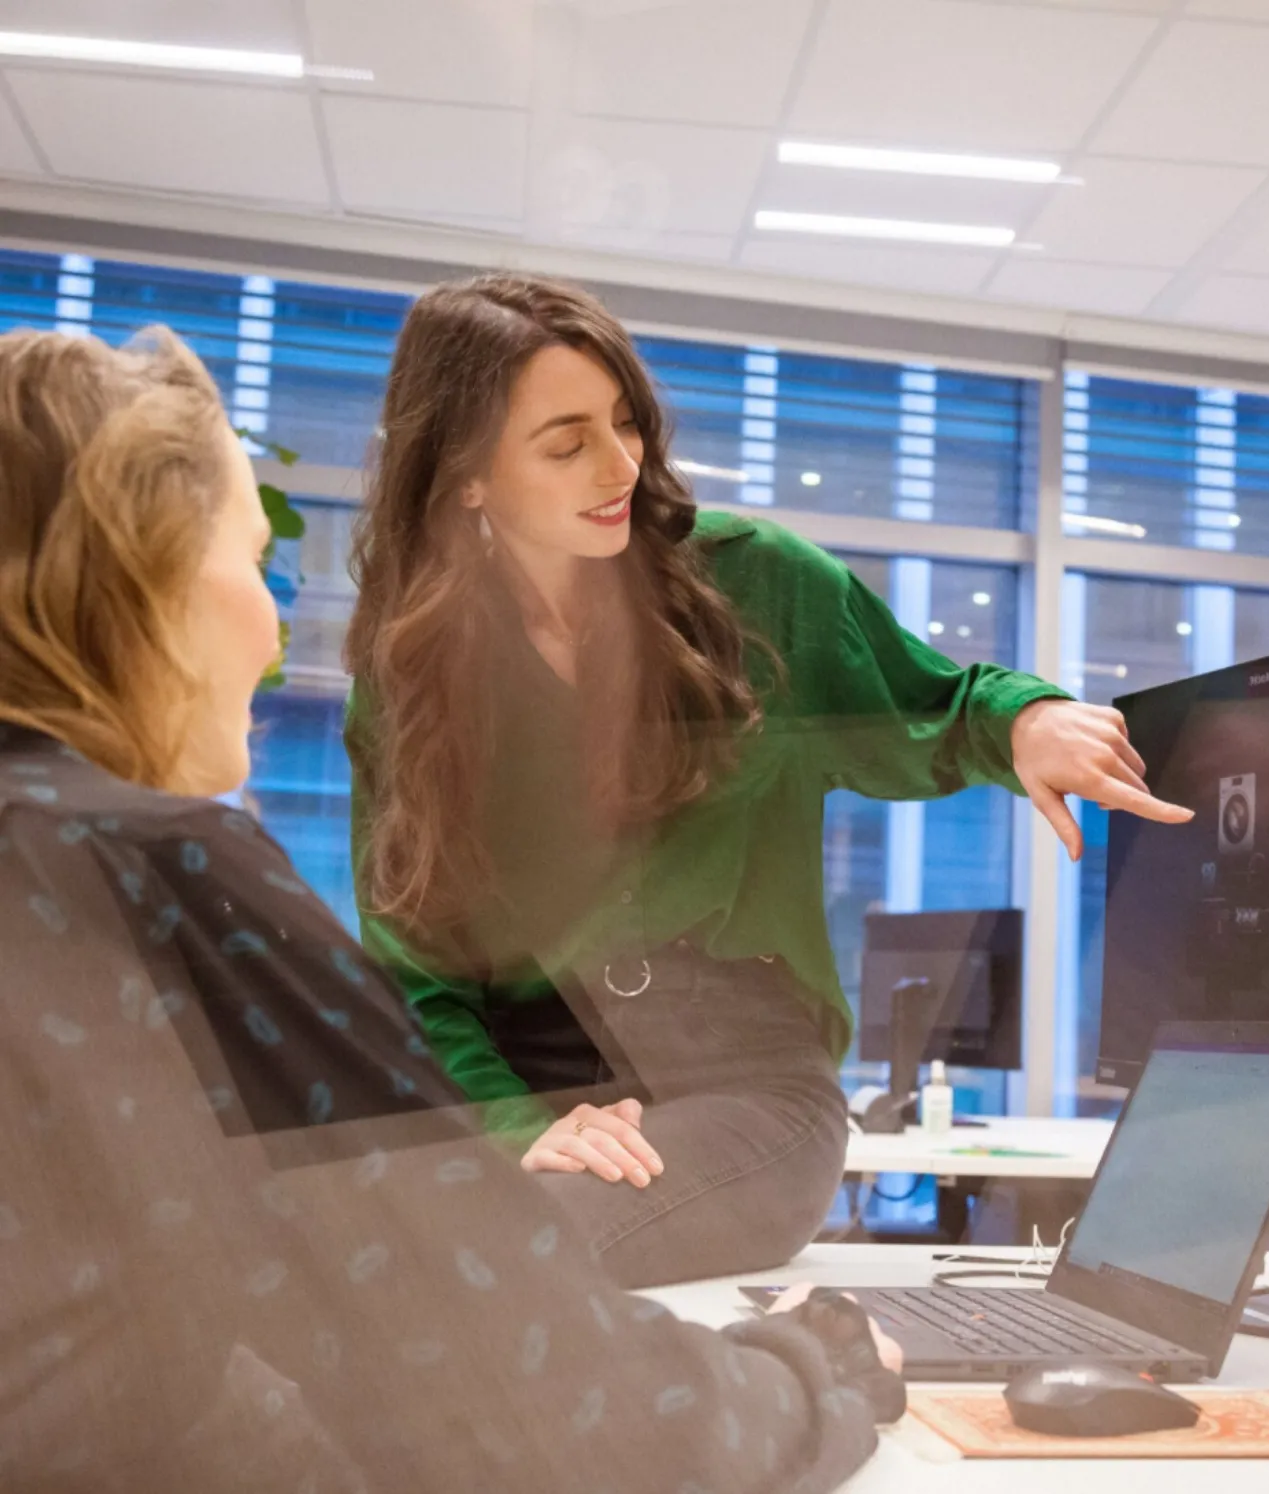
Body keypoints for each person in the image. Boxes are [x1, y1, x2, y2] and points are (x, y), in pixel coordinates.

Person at [0, 324, 906, 1493]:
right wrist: (813, 1366)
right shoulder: (146, 870)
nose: (275, 629)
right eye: (253, 561)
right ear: (142, 580)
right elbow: (533, 1402)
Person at [344, 273, 1193, 1289]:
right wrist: (518, 1124)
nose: (620, 465)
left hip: (743, 1084)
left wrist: (1028, 720)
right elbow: (417, 967)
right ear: (465, 476)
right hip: (535, 1091)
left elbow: (935, 703)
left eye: (626, 423)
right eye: (565, 444)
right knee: (351, 1246)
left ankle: (796, 1400)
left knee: (508, 1260)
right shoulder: (412, 681)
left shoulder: (753, 582)